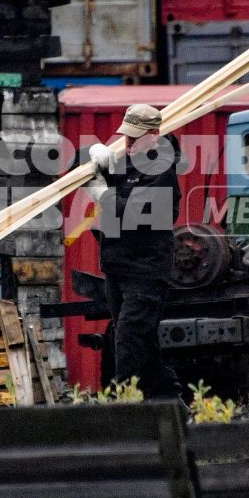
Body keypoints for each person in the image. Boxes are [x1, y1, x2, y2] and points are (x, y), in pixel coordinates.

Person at [87, 103, 182, 400]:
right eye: (125, 136)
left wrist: (102, 194)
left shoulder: (161, 169)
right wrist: (95, 156)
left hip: (145, 269)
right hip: (117, 265)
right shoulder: (128, 160)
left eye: (134, 137)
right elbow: (77, 173)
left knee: (129, 337)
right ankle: (170, 400)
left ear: (154, 135)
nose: (126, 142)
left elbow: (139, 216)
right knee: (139, 342)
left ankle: (120, 406)